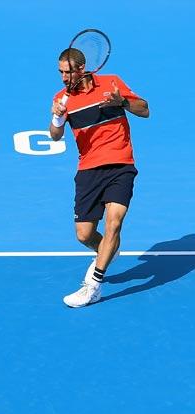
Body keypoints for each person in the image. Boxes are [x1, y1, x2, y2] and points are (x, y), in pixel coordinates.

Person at [49, 47, 149, 308]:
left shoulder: (112, 83)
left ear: (82, 69)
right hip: (89, 170)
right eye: (60, 72)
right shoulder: (62, 98)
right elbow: (55, 136)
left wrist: (122, 102)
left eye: (67, 72)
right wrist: (58, 119)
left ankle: (93, 286)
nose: (63, 78)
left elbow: (145, 110)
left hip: (120, 164)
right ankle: (108, 249)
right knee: (84, 235)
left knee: (114, 223)